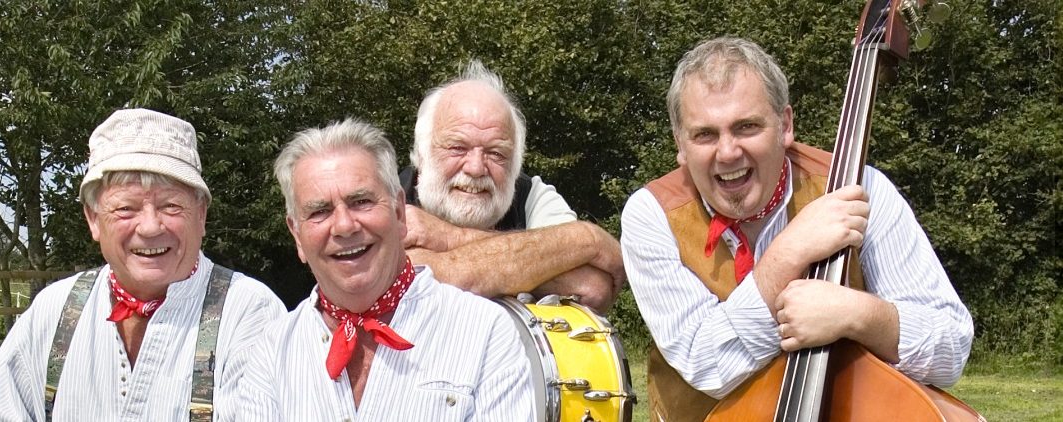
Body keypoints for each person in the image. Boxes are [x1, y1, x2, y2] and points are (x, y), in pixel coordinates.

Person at [619, 37, 974, 421]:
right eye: (705, 134)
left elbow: (950, 348)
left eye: (746, 126)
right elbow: (706, 361)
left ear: (785, 125)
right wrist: (791, 251)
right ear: (681, 146)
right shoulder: (650, 214)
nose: (727, 152)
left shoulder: (860, 187)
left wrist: (859, 315)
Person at [0, 109, 286, 421]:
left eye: (171, 206)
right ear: (94, 220)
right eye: (126, 209)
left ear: (200, 215)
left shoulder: (249, 312)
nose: (150, 227)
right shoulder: (55, 309)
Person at [235, 119, 534, 420]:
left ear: (399, 213)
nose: (343, 226)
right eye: (319, 211)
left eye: (361, 201)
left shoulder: (483, 331)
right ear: (297, 235)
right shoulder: (271, 353)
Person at [400, 60, 625, 311]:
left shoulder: (533, 197)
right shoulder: (379, 201)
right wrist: (586, 241)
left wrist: (448, 239)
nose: (476, 168)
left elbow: (593, 287)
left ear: (516, 164)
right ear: (421, 154)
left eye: (496, 153)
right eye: (457, 148)